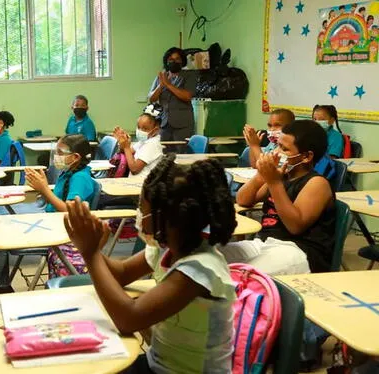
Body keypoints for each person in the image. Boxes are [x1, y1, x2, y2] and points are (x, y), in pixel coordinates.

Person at [63, 155, 237, 373]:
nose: (139, 215)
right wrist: (94, 249)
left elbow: (129, 319)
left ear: (169, 218)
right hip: (160, 365)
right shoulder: (166, 249)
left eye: (142, 209)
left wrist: (90, 254)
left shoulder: (201, 268)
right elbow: (122, 273)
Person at [0, 134, 96, 302]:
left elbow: (70, 211)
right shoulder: (69, 172)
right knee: (0, 230)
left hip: (62, 231)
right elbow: (57, 200)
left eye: (61, 152)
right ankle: (0, 286)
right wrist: (44, 188)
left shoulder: (80, 178)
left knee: (1, 237)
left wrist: (45, 190)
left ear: (75, 157)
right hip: (52, 221)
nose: (56, 156)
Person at [223, 120, 336, 275]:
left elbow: (295, 226)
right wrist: (261, 175)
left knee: (242, 276)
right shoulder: (282, 175)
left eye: (285, 149)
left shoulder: (317, 183)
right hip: (265, 242)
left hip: (298, 250)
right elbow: (243, 200)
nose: (277, 152)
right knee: (213, 258)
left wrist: (274, 183)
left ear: (306, 156)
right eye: (277, 145)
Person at [148, 47, 196, 148]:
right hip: (164, 124)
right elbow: (151, 98)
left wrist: (168, 85)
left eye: (177, 59)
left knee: (181, 154)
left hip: (183, 124)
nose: (174, 61)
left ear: (182, 61)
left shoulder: (189, 76)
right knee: (164, 153)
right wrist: (161, 85)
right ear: (166, 62)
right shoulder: (161, 77)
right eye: (171, 59)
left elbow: (187, 96)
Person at [113, 103, 164, 178]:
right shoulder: (144, 141)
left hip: (143, 185)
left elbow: (134, 169)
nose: (140, 131)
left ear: (155, 130)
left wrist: (126, 147)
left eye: (145, 128)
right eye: (138, 127)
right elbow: (128, 152)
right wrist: (123, 142)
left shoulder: (152, 145)